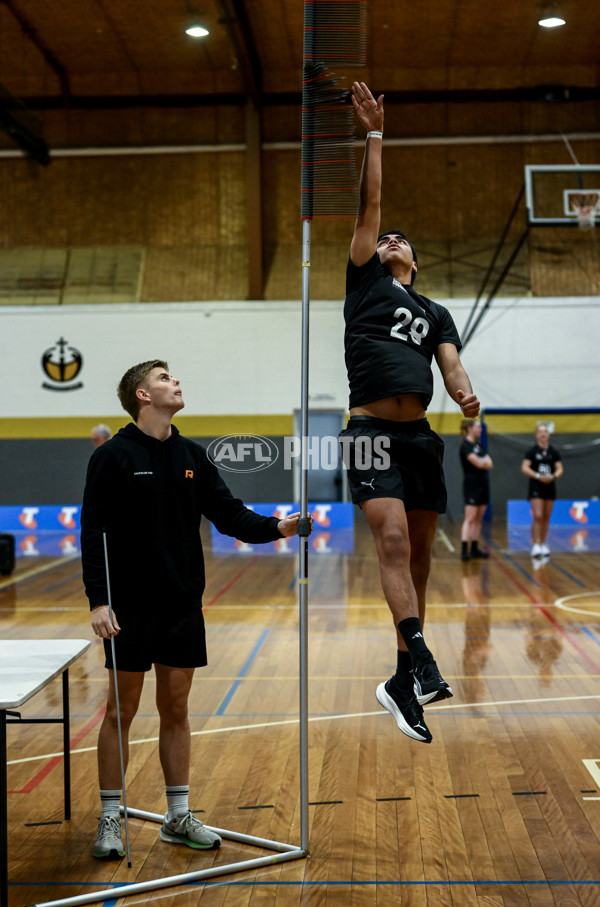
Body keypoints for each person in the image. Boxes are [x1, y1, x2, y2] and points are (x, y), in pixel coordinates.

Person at [81, 360, 310, 860]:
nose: (175, 383)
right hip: (127, 608)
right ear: (142, 395)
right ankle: (111, 816)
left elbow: (228, 513)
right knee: (121, 710)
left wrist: (279, 527)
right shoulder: (113, 456)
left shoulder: (192, 455)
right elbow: (92, 531)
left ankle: (177, 816)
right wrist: (98, 600)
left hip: (182, 603)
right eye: (164, 378)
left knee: (177, 709)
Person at [339, 82, 481, 745]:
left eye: (402, 240)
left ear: (416, 264)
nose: (391, 237)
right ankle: (421, 657)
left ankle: (402, 675)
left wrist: (465, 393)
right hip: (369, 430)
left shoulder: (435, 312)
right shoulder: (365, 276)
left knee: (421, 556)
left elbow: (450, 364)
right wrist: (375, 133)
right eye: (386, 235)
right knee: (392, 542)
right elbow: (371, 201)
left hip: (420, 435)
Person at [521, 422, 563, 557]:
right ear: (536, 435)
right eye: (540, 431)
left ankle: (543, 543)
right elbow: (525, 467)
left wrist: (553, 476)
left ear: (549, 435)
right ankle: (536, 544)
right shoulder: (532, 451)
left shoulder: (553, 452)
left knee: (546, 516)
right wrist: (538, 476)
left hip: (550, 486)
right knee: (538, 515)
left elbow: (560, 468)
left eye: (545, 431)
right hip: (536, 486)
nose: (543, 434)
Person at [459, 419, 493, 561]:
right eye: (478, 427)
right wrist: (483, 462)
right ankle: (464, 550)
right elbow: (479, 463)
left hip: (483, 484)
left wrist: (484, 462)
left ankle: (474, 548)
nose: (480, 429)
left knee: (479, 518)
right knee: (470, 518)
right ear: (470, 428)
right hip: (472, 485)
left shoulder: (479, 446)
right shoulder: (465, 446)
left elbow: (489, 463)